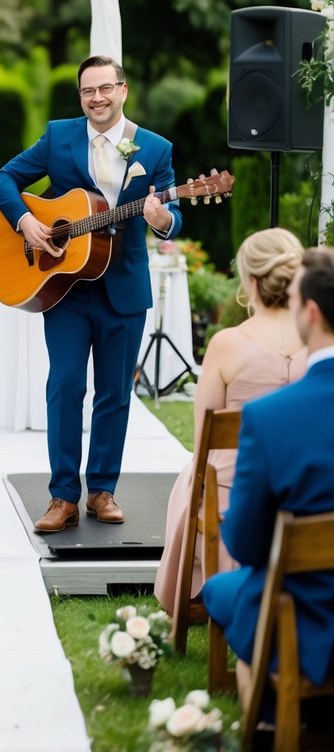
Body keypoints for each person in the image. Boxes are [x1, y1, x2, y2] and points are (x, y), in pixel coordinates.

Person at [0, 54, 182, 531]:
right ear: (80, 96)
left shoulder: (154, 148)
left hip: (123, 289)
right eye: (87, 91)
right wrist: (26, 220)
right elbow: (3, 179)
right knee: (65, 386)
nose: (96, 98)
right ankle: (61, 497)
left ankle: (102, 491)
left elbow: (175, 213)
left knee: (115, 394)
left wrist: (163, 220)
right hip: (65, 288)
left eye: (105, 88)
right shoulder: (59, 136)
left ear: (123, 90)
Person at [203, 246, 334, 711]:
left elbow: (245, 544)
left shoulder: (270, 418)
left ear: (312, 312)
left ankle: (266, 724)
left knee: (225, 590)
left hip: (305, 615)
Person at [154, 227, 307, 614]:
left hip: (234, 494)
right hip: (303, 486)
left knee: (192, 473)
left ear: (250, 281)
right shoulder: (321, 342)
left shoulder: (226, 344)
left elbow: (204, 432)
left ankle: (203, 587)